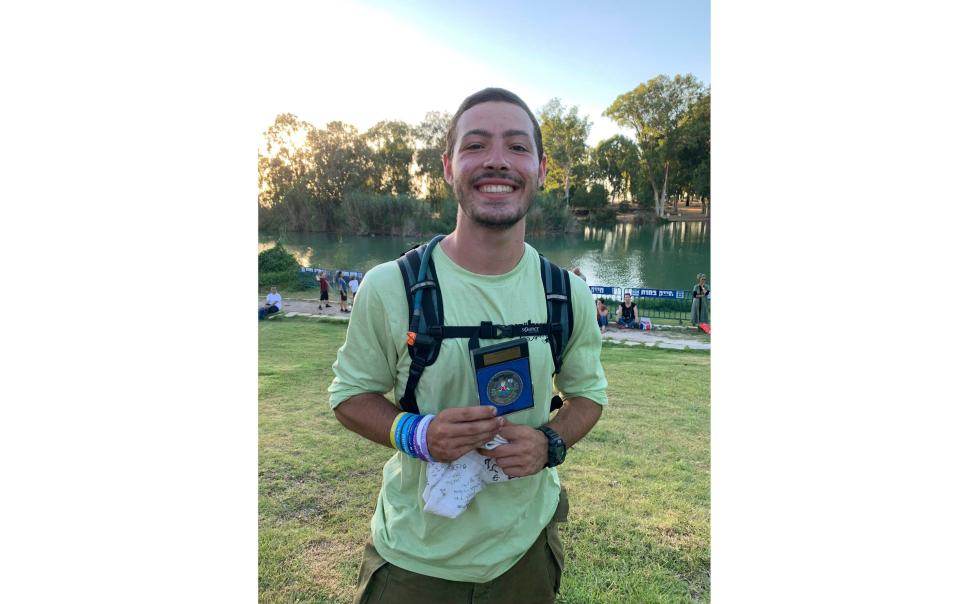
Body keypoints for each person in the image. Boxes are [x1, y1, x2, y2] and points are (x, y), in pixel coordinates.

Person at [328, 88, 607, 604]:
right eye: (476, 145)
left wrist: (551, 442)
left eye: (517, 147)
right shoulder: (392, 287)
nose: (497, 160)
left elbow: (588, 395)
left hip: (526, 555)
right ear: (448, 166)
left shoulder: (568, 294)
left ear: (541, 168)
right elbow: (349, 396)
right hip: (413, 563)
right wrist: (416, 432)